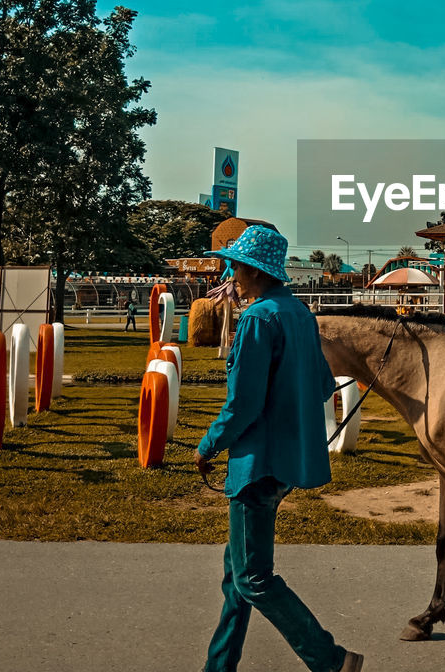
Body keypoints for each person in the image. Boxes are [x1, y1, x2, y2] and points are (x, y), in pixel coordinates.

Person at [194, 225, 363, 672]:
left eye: (234, 266)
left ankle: (331, 660)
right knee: (239, 579)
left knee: (253, 578)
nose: (230, 274)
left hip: (256, 464)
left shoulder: (257, 319)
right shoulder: (299, 313)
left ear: (252, 270)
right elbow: (323, 384)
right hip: (286, 460)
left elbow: (243, 404)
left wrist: (208, 446)